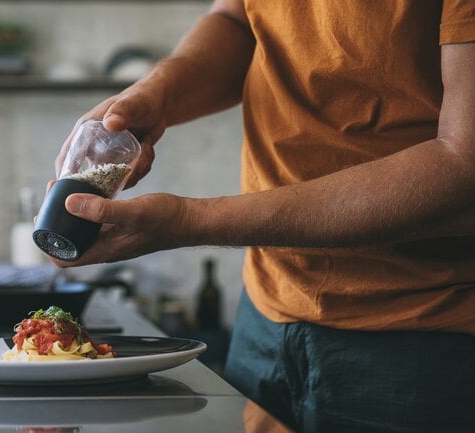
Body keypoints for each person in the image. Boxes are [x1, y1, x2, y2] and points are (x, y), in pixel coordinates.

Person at [47, 1, 475, 432]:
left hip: (423, 337)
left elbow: (463, 161)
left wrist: (192, 222)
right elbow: (238, 19)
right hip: (265, 316)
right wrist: (161, 91)